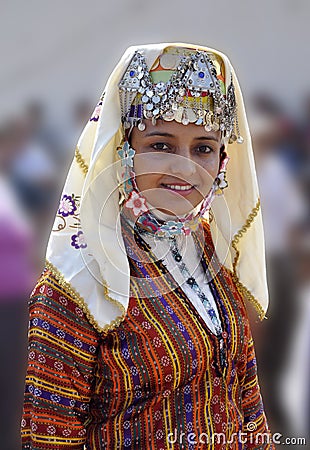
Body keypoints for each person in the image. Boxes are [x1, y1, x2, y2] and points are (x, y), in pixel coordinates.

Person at [21, 43, 274, 449]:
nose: (184, 167)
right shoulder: (80, 280)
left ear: (224, 161)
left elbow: (246, 400)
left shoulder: (213, 251)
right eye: (161, 145)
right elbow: (48, 437)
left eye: (204, 149)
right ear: (124, 151)